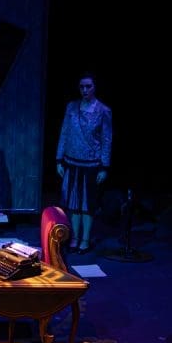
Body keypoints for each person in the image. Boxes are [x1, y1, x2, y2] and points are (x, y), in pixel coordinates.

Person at [55, 72, 112, 254]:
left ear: (94, 87)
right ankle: (74, 238)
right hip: (72, 161)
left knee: (87, 204)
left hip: (91, 163)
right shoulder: (71, 107)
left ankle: (85, 240)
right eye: (82, 86)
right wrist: (59, 159)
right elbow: (64, 132)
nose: (85, 90)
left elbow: (106, 139)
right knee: (73, 203)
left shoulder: (103, 111)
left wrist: (104, 166)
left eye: (88, 86)